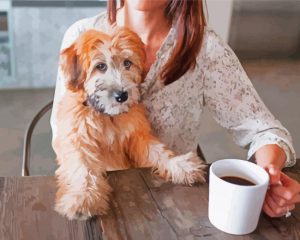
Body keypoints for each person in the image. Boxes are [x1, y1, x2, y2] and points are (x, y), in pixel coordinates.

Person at [50, 0, 300, 218]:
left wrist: (270, 176)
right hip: (98, 202)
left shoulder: (204, 49)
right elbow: (65, 135)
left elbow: (264, 131)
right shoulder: (81, 35)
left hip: (177, 204)